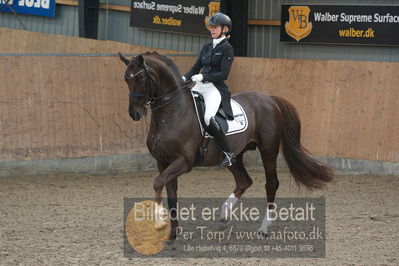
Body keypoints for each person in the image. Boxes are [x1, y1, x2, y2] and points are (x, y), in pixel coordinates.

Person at [183, 12, 235, 167]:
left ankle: (228, 152)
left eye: (216, 27)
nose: (212, 30)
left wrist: (204, 77)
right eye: (211, 27)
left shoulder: (227, 49)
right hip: (200, 85)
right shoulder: (206, 47)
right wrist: (184, 79)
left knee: (207, 117)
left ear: (225, 29)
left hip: (215, 88)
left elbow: (223, 74)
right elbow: (195, 68)